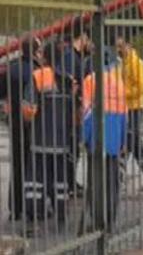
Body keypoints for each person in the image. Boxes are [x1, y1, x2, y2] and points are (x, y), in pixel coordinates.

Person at [21, 43, 74, 229]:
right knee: (60, 182)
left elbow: (29, 109)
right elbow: (75, 112)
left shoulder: (38, 76)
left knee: (35, 183)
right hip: (61, 142)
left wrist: (25, 118)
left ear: (45, 57)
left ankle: (33, 221)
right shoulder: (68, 80)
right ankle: (61, 220)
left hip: (40, 140)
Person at [81, 49, 128, 230]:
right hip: (114, 140)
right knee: (112, 181)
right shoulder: (119, 84)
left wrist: (84, 138)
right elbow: (124, 115)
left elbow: (86, 114)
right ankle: (110, 218)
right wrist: (123, 140)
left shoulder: (90, 81)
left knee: (95, 181)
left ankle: (97, 220)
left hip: (97, 140)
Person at [116, 37, 143, 192]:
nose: (118, 50)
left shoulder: (135, 62)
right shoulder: (125, 63)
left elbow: (140, 88)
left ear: (128, 45)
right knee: (133, 143)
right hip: (127, 108)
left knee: (128, 142)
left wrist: (122, 93)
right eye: (117, 47)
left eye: (121, 46)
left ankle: (119, 179)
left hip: (135, 107)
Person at [6, 38, 40, 221]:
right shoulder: (37, 70)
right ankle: (29, 207)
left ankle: (14, 208)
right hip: (31, 122)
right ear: (35, 51)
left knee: (17, 163)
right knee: (31, 165)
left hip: (14, 121)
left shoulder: (11, 67)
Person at [59, 28, 93, 197]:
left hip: (74, 109)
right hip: (71, 110)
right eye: (88, 40)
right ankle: (69, 183)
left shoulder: (73, 57)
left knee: (74, 148)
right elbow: (71, 86)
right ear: (83, 36)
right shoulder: (71, 58)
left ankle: (70, 182)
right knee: (72, 147)